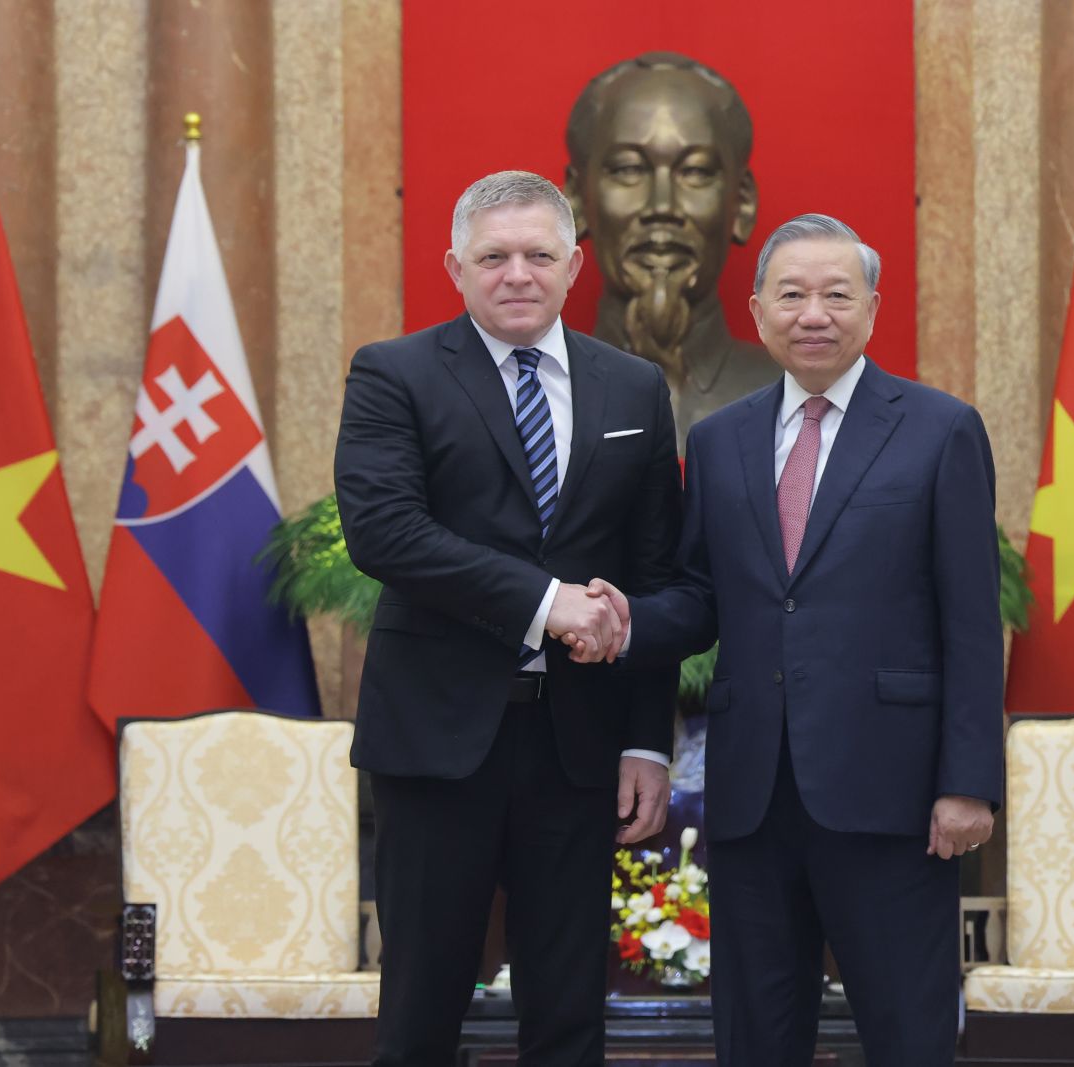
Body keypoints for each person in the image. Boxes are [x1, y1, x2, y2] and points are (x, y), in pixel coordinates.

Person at [570, 214, 1003, 1066]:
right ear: (759, 311)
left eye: (837, 295)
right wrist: (627, 618)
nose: (814, 314)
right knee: (756, 1035)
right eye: (793, 295)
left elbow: (971, 621)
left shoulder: (940, 428)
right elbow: (701, 596)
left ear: (872, 309)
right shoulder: (719, 439)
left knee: (907, 1034)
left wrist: (968, 783)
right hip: (754, 795)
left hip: (892, 792)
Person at [334, 170, 682, 1066]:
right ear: (456, 267)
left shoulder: (635, 388)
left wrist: (647, 742)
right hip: (436, 740)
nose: (517, 274)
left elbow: (650, 576)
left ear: (575, 266)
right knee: (421, 1011)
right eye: (493, 257)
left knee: (569, 1014)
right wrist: (545, 601)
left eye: (538, 255)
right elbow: (387, 533)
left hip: (578, 746)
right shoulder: (395, 373)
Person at [564, 52, 778, 439]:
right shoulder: (534, 400)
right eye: (629, 169)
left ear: (742, 202)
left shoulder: (792, 400)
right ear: (577, 199)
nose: (661, 206)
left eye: (695, 171)